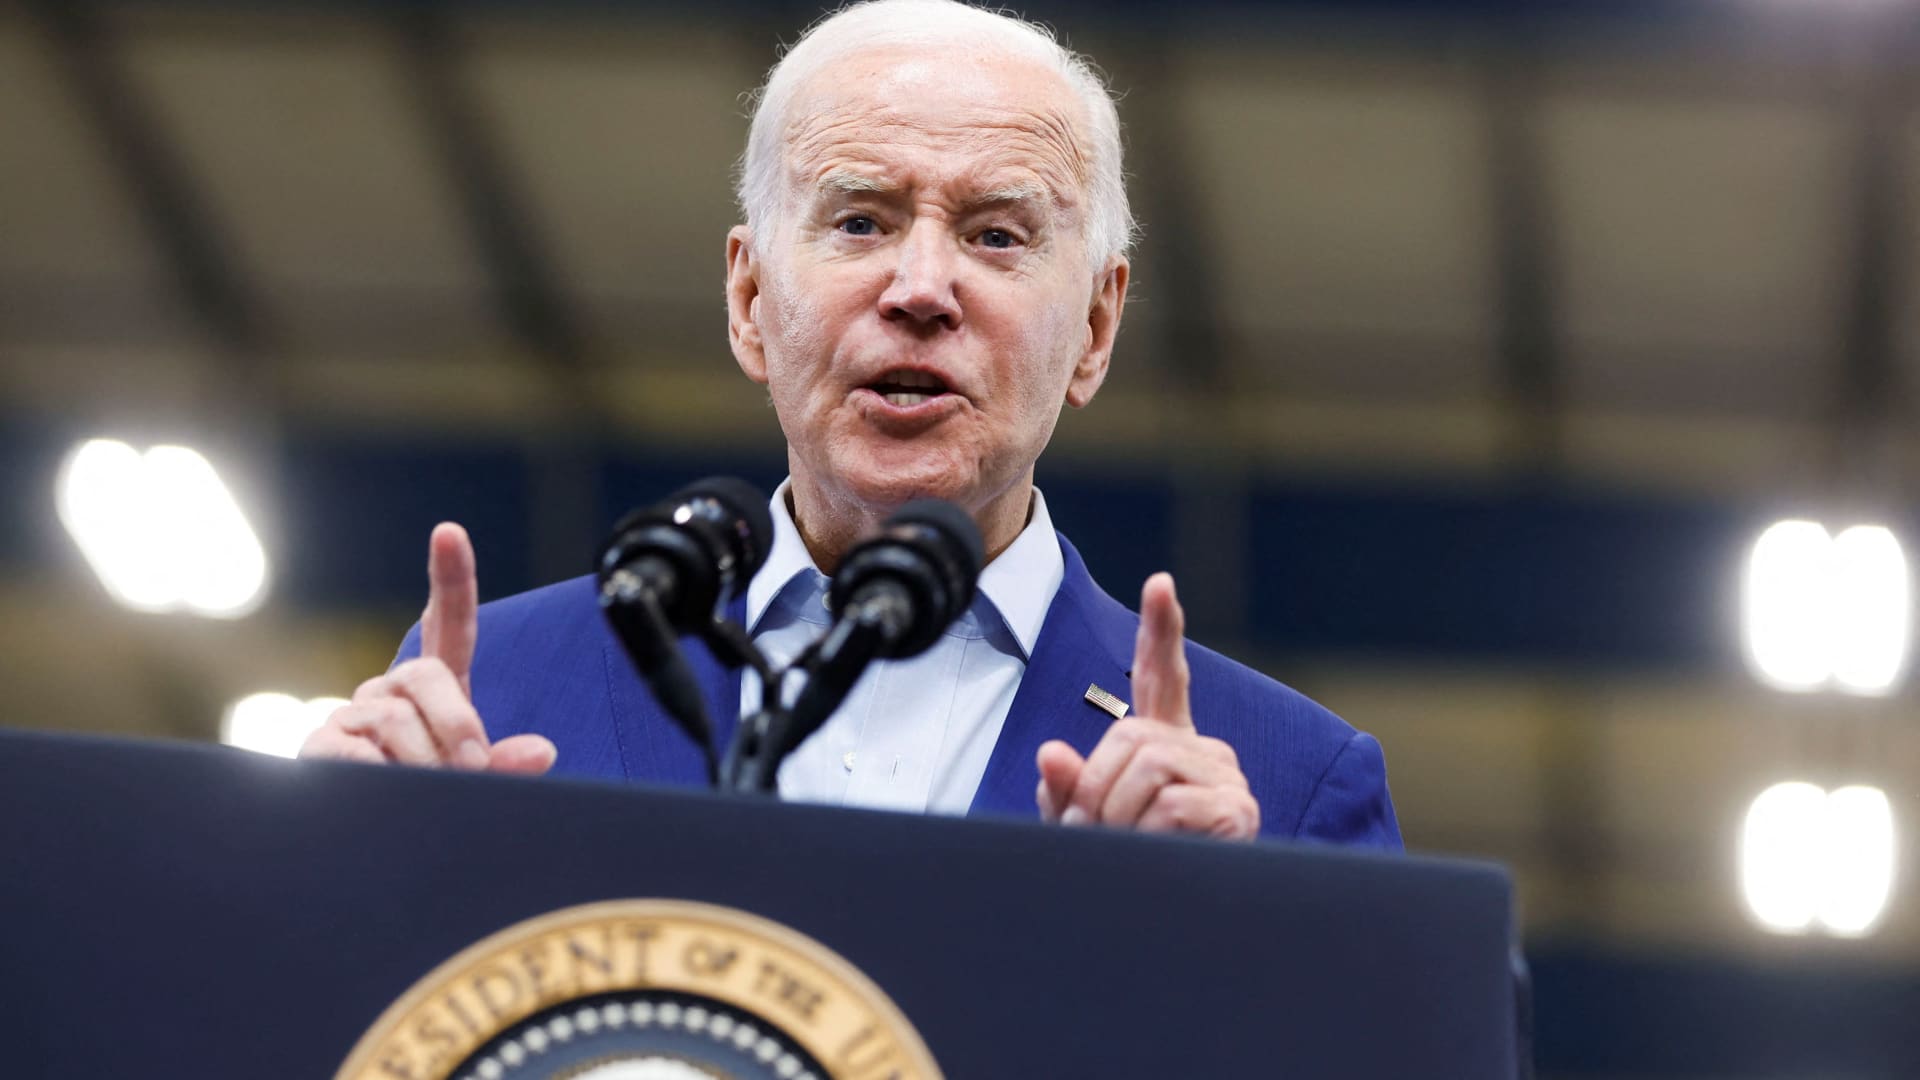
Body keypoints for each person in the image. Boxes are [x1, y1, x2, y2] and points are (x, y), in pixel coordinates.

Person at [301, 0, 1400, 847]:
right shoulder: (489, 697)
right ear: (748, 305)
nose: (922, 287)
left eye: (999, 236)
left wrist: (1256, 943)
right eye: (861, 219)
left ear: (1098, 327)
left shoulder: (1283, 786)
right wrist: (332, 876)